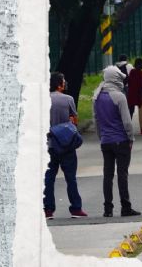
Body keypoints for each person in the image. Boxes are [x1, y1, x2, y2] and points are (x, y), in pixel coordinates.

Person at [93, 66, 141, 218]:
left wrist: (102, 137)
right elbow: (127, 122)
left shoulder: (97, 96)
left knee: (107, 175)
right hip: (120, 140)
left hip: (106, 141)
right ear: (115, 78)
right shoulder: (119, 96)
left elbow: (96, 120)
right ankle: (125, 207)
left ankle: (108, 209)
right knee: (122, 174)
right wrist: (131, 138)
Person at [44, 72, 87, 219]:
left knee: (49, 178)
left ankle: (48, 210)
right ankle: (76, 209)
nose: (65, 82)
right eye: (63, 81)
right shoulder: (68, 99)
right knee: (71, 178)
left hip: (49, 144)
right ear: (59, 84)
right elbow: (74, 120)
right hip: (66, 143)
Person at [126, 58, 142, 124]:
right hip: (139, 94)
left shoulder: (132, 72)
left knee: (131, 110)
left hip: (132, 93)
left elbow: (129, 82)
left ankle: (128, 125)